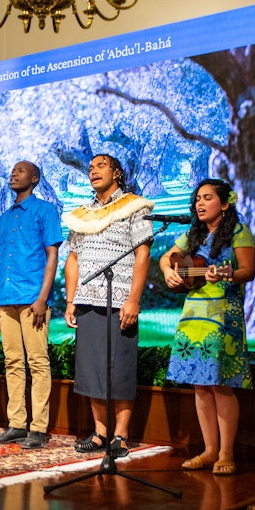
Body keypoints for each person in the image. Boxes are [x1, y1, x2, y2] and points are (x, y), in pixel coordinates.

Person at [159, 179, 255, 475]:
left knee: (220, 384)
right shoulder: (194, 234)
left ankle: (226, 453)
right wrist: (167, 272)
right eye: (197, 199)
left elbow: (247, 271)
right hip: (194, 314)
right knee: (200, 385)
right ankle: (209, 449)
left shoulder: (239, 232)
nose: (200, 203)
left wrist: (225, 276)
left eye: (208, 198)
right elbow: (166, 258)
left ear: (225, 204)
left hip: (223, 313)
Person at [63, 155, 153, 456]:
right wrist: (71, 300)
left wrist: (134, 299)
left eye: (100, 166)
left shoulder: (133, 206)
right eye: (90, 167)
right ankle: (100, 433)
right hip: (88, 301)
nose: (93, 171)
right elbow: (72, 258)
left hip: (120, 301)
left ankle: (121, 436)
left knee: (121, 367)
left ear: (117, 172)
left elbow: (143, 253)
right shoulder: (83, 213)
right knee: (91, 369)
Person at [0, 161, 62, 449]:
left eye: (21, 171)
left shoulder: (45, 211)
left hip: (33, 297)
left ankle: (38, 428)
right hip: (6, 297)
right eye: (13, 170)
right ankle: (16, 423)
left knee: (38, 362)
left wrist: (43, 297)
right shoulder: (5, 217)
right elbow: (1, 258)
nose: (14, 174)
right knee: (12, 362)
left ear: (34, 178)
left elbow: (52, 254)